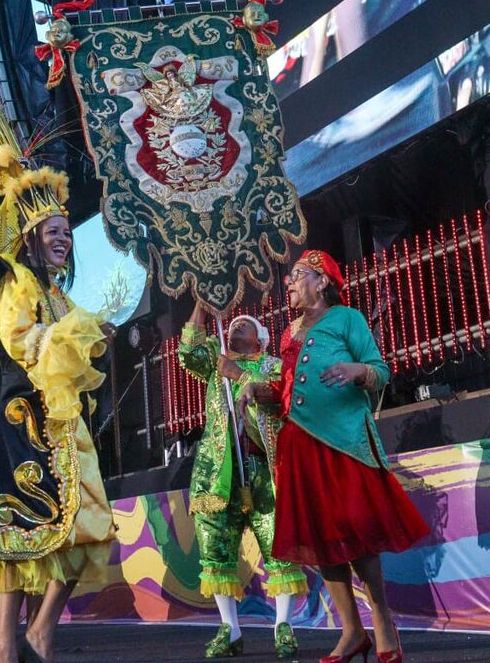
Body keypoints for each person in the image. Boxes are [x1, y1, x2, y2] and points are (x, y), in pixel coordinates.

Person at [0, 117, 116, 663]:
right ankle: (7, 648)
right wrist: (76, 336)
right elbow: (23, 341)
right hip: (20, 423)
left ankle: (38, 630)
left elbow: (69, 335)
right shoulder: (15, 281)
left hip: (58, 425)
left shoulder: (58, 294)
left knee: (86, 522)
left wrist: (92, 333)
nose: (64, 238)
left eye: (68, 231)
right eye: (54, 231)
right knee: (13, 532)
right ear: (30, 236)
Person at [238, 250, 429, 663]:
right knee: (320, 538)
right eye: (288, 278)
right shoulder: (287, 333)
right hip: (299, 446)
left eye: (297, 276)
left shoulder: (348, 319)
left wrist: (356, 371)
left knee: (355, 529)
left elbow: (380, 370)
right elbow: (288, 392)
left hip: (343, 442)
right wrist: (258, 389)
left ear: (322, 281)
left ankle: (381, 621)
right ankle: (351, 632)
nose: (288, 284)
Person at [179, 302, 308, 658]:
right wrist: (201, 309)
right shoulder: (215, 366)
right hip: (220, 474)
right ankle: (230, 629)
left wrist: (238, 374)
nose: (235, 328)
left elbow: (282, 396)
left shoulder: (272, 366)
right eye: (232, 325)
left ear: (261, 340)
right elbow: (189, 350)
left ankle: (283, 624)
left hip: (265, 470)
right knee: (215, 550)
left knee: (278, 546)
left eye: (244, 325)